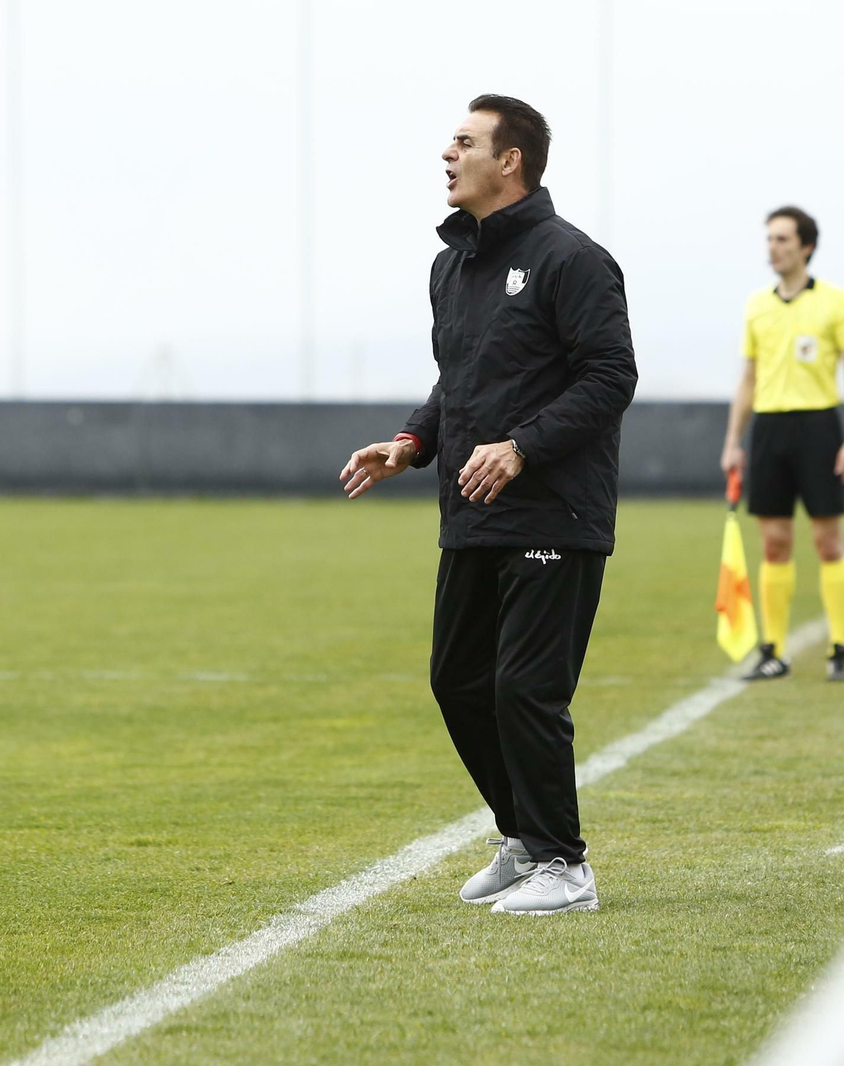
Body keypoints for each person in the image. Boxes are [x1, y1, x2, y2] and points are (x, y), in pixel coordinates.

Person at [339, 95, 636, 915]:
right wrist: (409, 443)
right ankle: (525, 838)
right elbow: (460, 382)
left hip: (555, 511)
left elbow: (611, 376)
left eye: (464, 142)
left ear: (511, 161)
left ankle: (565, 867)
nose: (447, 154)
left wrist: (522, 447)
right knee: (457, 680)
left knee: (525, 689)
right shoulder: (451, 267)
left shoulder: (573, 260)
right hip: (470, 510)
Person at [719, 206, 844, 682]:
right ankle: (773, 651)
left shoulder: (835, 302)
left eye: (783, 239)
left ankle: (840, 650)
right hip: (769, 431)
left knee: (827, 540)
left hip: (819, 429)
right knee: (775, 542)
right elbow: (747, 378)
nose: (773, 248)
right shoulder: (757, 306)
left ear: (805, 246)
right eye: (769, 239)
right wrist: (733, 441)